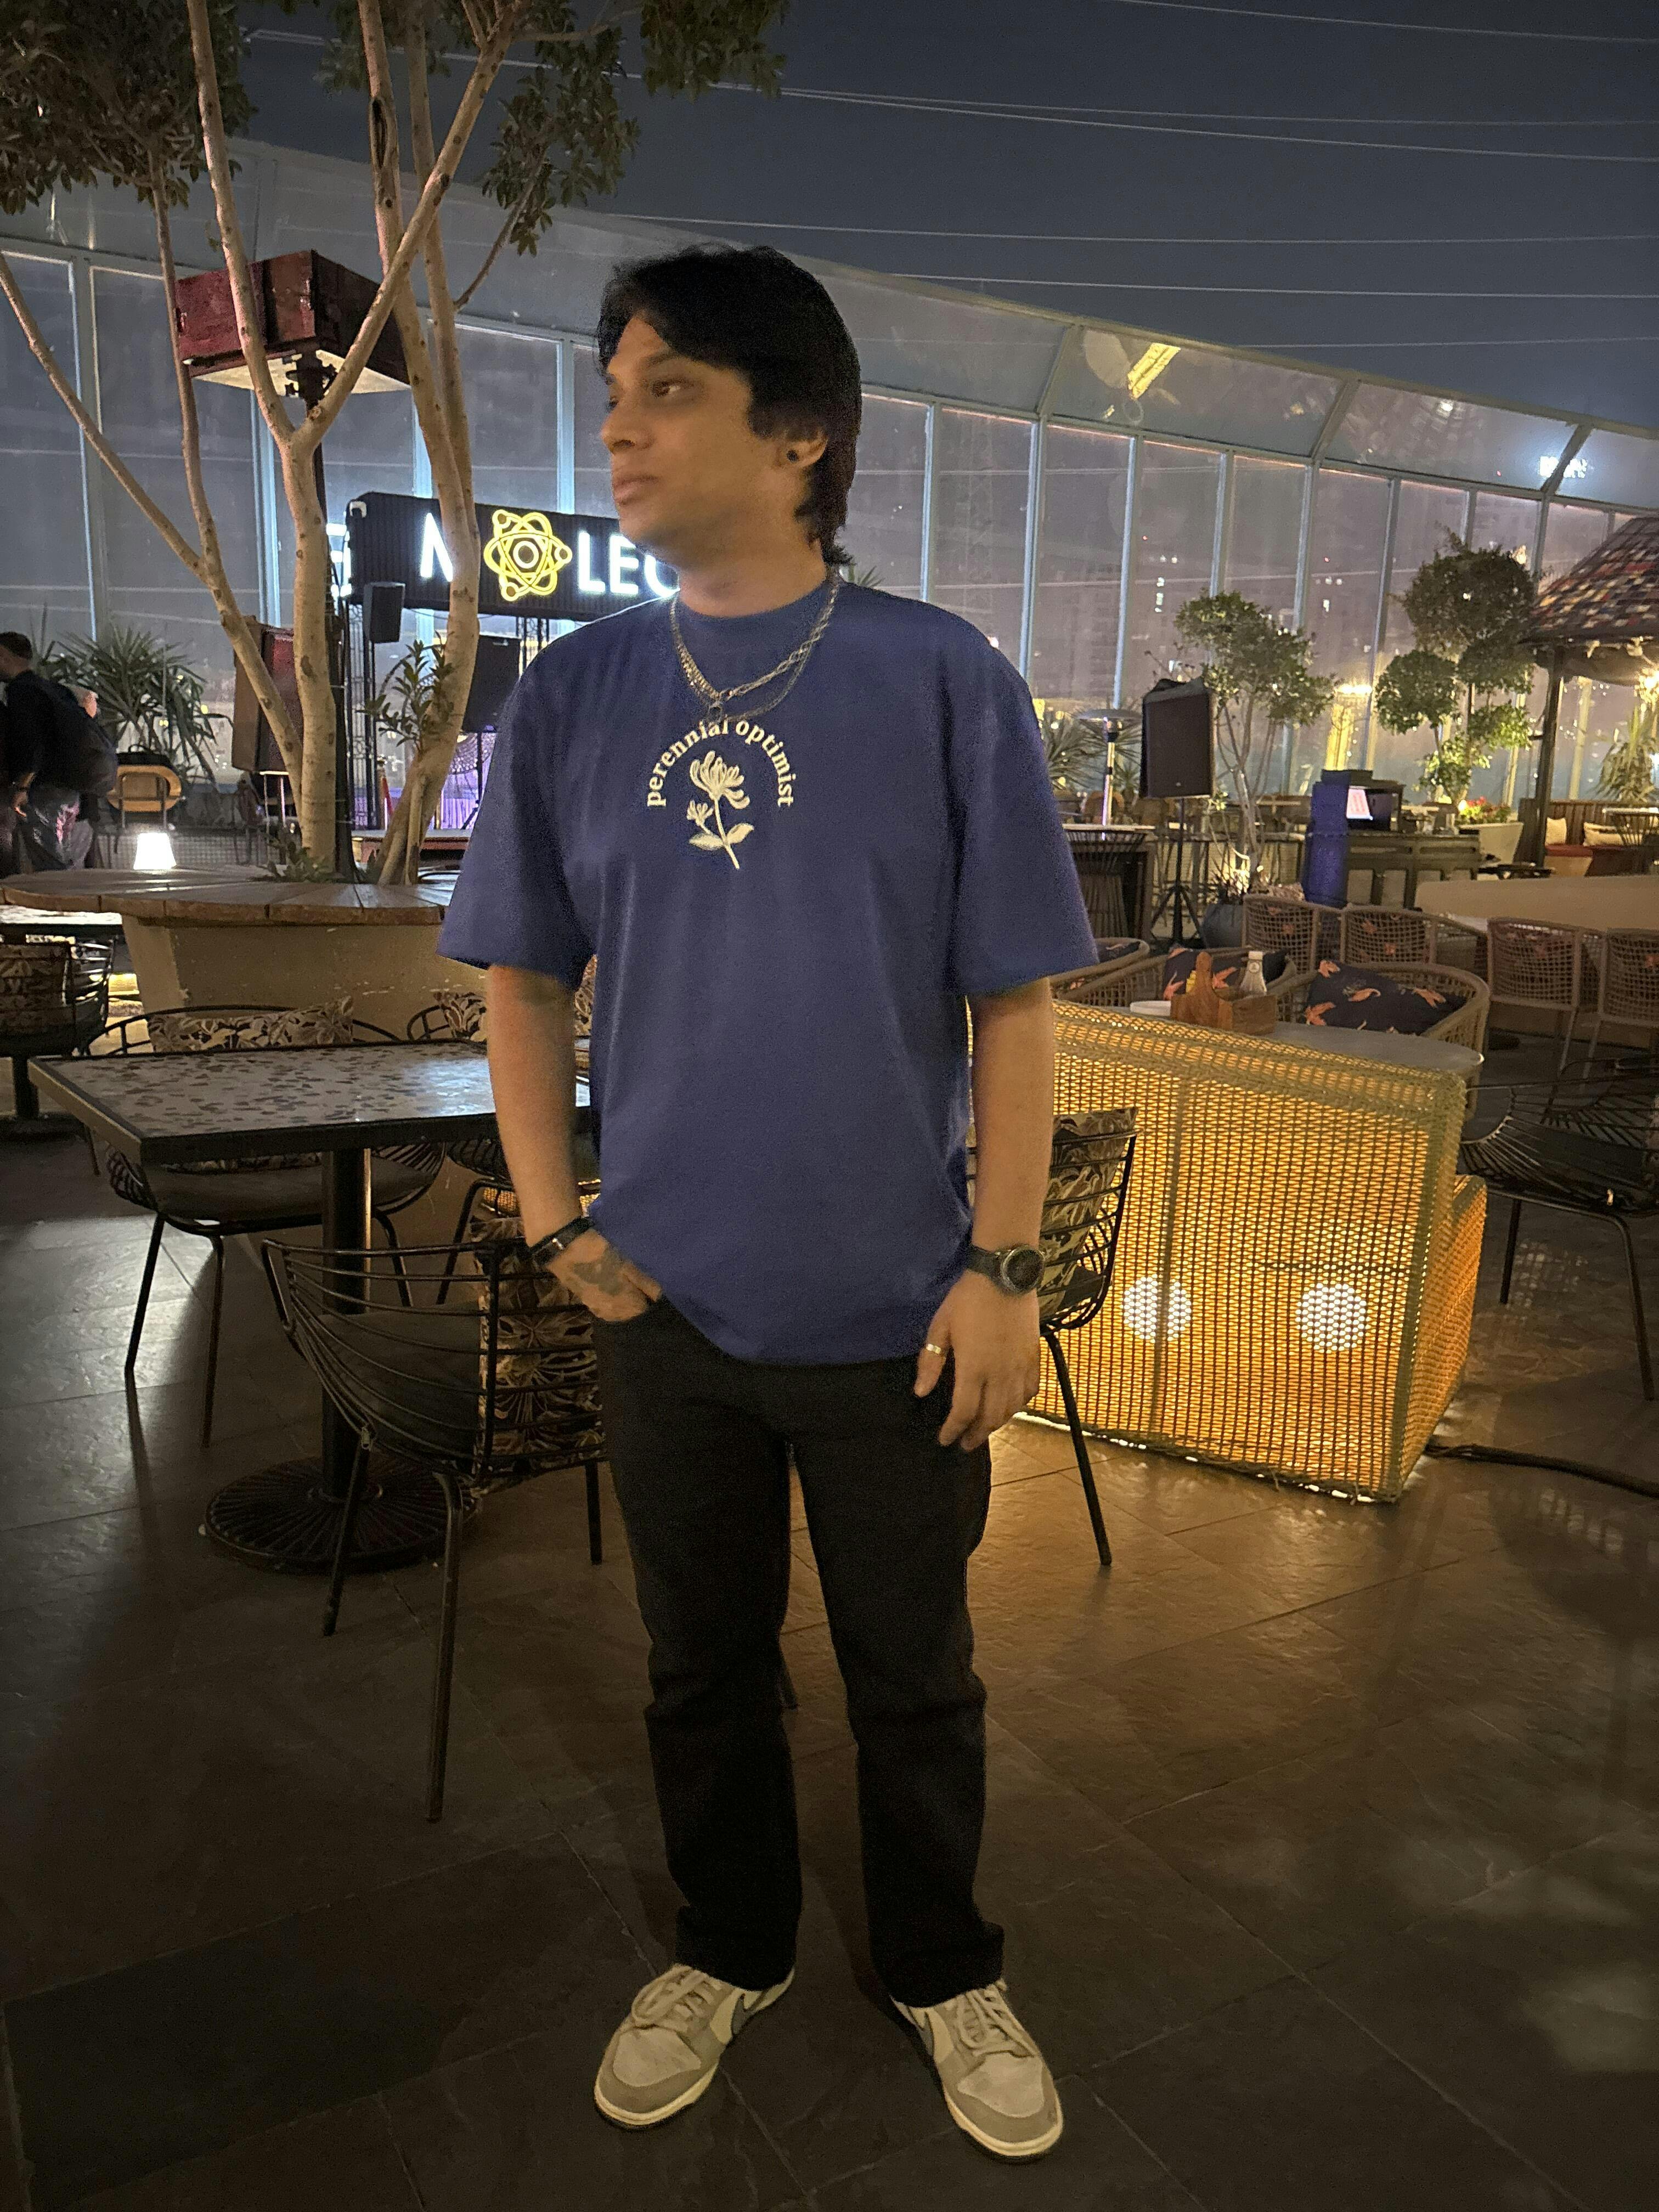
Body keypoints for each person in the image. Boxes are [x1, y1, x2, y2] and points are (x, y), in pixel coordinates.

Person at [439, 245, 1098, 2164]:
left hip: (901, 1310)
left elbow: (1015, 1006)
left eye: (668, 391)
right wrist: (558, 1226)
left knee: (917, 1677)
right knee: (698, 1669)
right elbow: (519, 982)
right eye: (614, 393)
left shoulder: (942, 678)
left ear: (799, 432)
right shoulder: (575, 692)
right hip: (669, 1308)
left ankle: (942, 1964)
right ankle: (728, 1944)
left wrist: (1002, 1266)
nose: (619, 429)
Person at [0, 632, 104, 871]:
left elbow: (33, 743)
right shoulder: (54, 690)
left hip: (44, 789)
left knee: (49, 861)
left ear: (4, 655)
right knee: (60, 856)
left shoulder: (21, 691)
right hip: (69, 790)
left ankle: (61, 895)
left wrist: (23, 787)